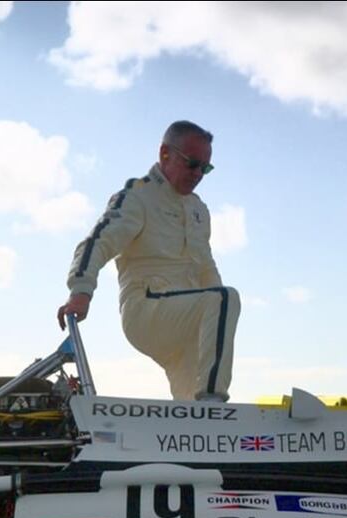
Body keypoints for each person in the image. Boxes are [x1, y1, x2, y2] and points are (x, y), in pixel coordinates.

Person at [57, 120, 240, 402]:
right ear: (165, 153)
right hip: (147, 309)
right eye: (192, 164)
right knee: (225, 299)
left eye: (205, 168)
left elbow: (206, 268)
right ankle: (214, 404)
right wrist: (81, 291)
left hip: (190, 318)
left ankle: (200, 428)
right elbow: (98, 242)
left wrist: (220, 316)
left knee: (191, 405)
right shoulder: (137, 196)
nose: (198, 174)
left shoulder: (199, 210)